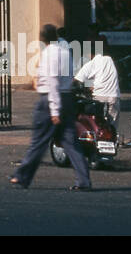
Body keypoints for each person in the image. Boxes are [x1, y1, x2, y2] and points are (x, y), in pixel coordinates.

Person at [11, 24, 91, 190]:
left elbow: (53, 82)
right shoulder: (65, 50)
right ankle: (84, 180)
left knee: (39, 140)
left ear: (43, 38)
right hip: (67, 98)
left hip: (50, 100)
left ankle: (22, 175)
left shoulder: (50, 53)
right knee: (70, 142)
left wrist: (54, 110)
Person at [75, 33, 122, 140]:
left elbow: (77, 80)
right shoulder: (110, 60)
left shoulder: (92, 63)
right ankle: (112, 143)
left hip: (99, 97)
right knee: (112, 127)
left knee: (95, 124)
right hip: (114, 97)